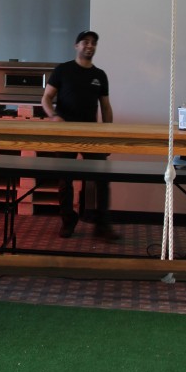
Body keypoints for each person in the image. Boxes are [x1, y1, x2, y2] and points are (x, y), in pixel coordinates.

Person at [39, 30, 119, 241]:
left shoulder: (100, 75)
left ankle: (102, 225)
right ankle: (68, 221)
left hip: (92, 134)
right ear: (77, 46)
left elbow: (106, 107)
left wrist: (108, 135)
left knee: (102, 179)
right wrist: (54, 116)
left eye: (93, 43)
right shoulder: (63, 70)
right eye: (85, 42)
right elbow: (46, 98)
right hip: (66, 133)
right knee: (65, 180)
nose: (89, 45)